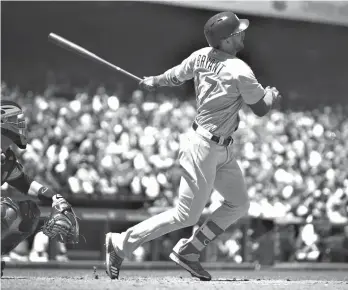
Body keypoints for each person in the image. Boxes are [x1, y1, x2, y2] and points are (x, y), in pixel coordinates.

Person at [105, 11, 281, 281]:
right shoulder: (239, 70)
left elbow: (175, 76)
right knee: (186, 215)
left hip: (218, 147)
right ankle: (121, 243)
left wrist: (155, 80)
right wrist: (271, 95)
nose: (242, 33)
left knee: (238, 203)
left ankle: (190, 249)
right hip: (203, 146)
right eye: (237, 32)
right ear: (226, 40)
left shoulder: (200, 56)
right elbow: (261, 109)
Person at [1, 100, 79, 277]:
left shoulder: (8, 157)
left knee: (31, 212)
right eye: (16, 120)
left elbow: (25, 183)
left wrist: (55, 198)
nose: (22, 125)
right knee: (6, 210)